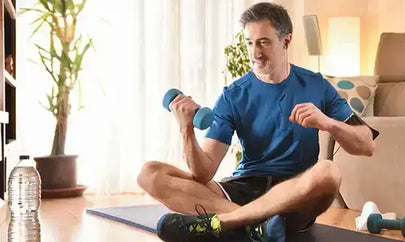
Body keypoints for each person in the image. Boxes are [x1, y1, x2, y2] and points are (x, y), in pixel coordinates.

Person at [138, 2, 378, 242]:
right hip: (244, 187)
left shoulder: (317, 85)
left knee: (329, 171)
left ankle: (226, 222)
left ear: (286, 40)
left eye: (264, 42)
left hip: (295, 191)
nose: (255, 52)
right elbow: (203, 173)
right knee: (149, 174)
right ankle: (255, 225)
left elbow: (367, 144)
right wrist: (186, 129)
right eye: (249, 43)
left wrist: (328, 123)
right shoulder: (233, 95)